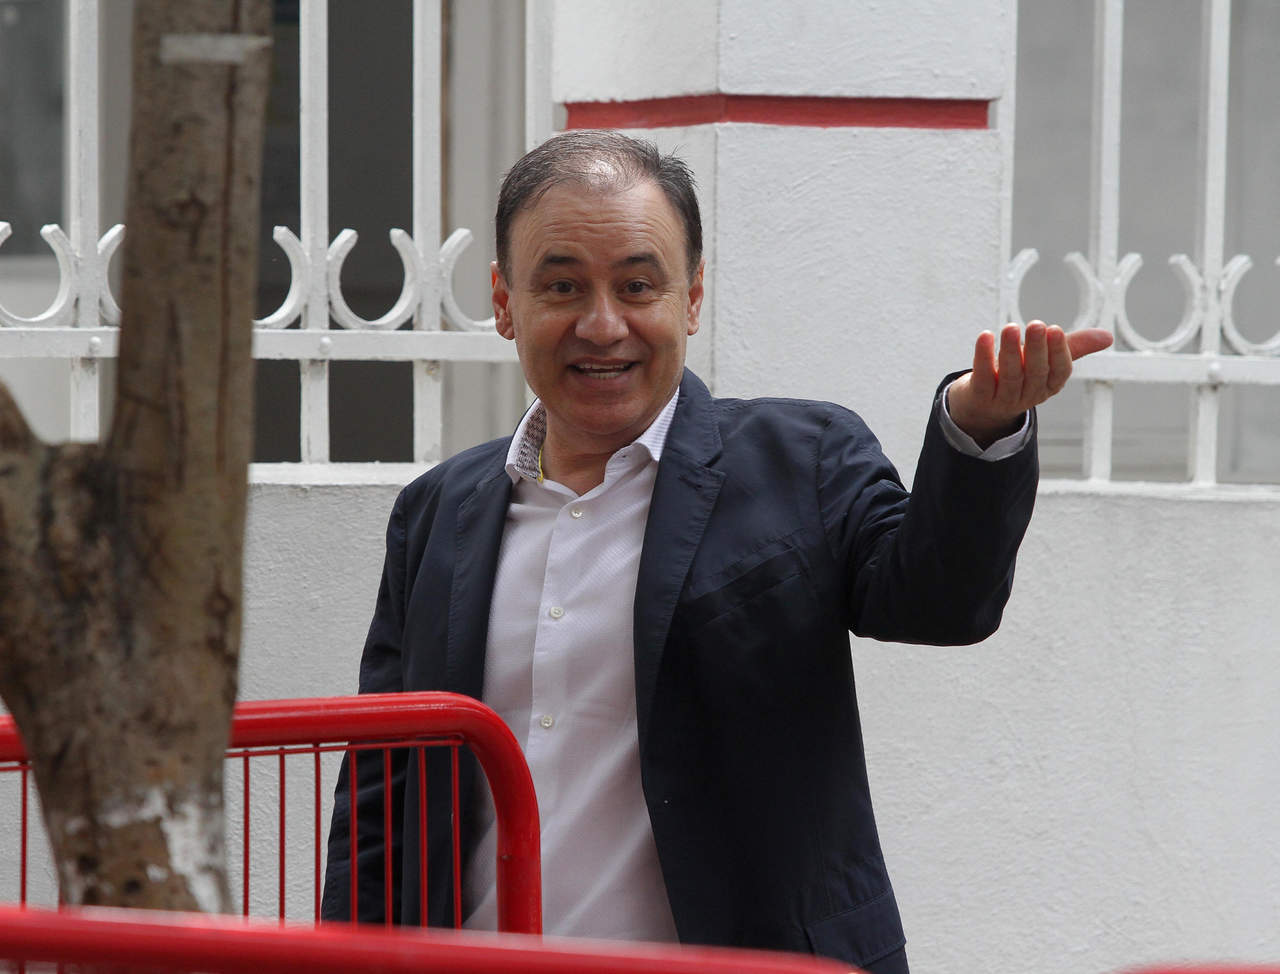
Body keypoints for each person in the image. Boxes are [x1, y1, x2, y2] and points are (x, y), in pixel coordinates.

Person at [320, 130, 1112, 973]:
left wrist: (980, 428)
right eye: (562, 286)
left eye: (637, 286)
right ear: (505, 302)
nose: (602, 325)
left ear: (691, 299)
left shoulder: (801, 460)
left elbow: (941, 602)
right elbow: (380, 792)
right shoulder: (438, 511)